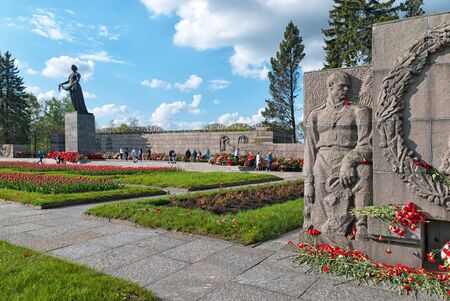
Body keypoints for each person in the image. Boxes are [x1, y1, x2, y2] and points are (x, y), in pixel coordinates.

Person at [304, 71, 372, 239]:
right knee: (320, 224)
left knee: (365, 172)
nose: (346, 89)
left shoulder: (359, 111)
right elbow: (310, 150)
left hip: (347, 159)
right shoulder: (316, 115)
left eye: (348, 86)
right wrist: (308, 183)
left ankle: (361, 225)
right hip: (322, 162)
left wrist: (349, 161)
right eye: (342, 86)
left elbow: (368, 144)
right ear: (330, 86)